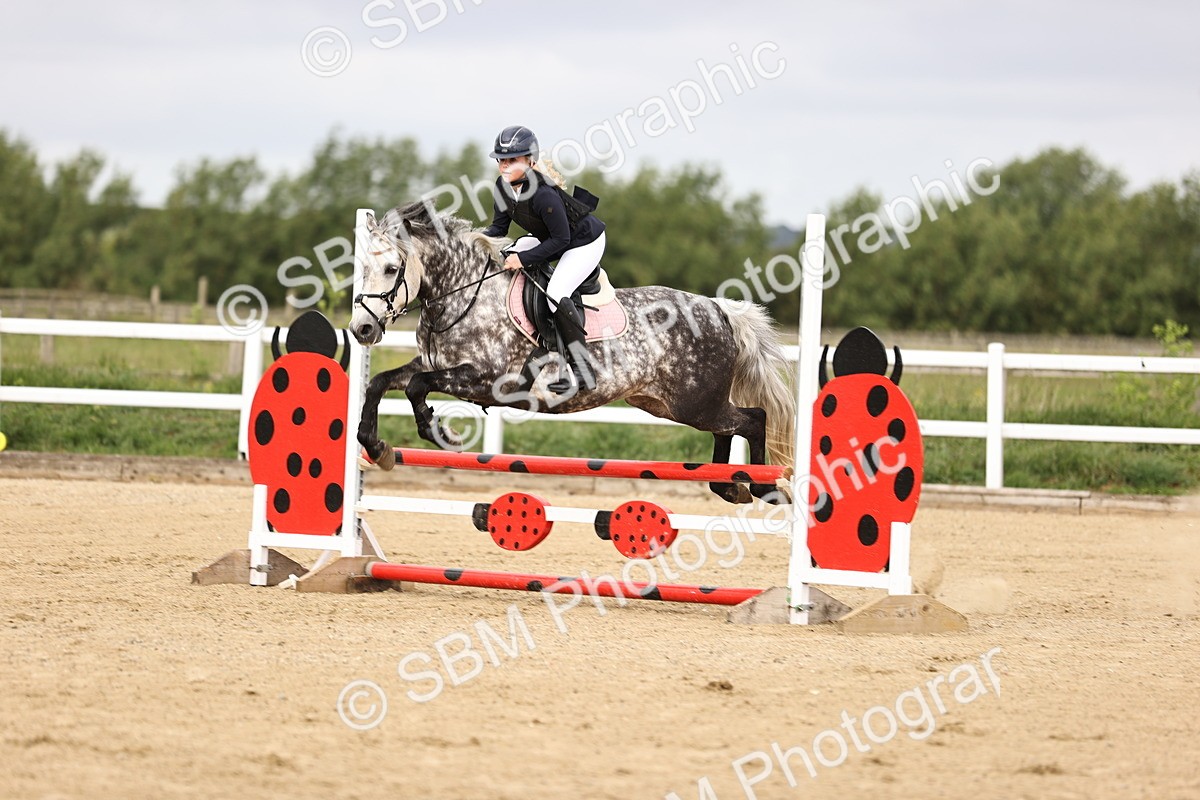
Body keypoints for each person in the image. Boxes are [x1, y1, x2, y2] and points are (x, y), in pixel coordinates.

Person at [481, 125, 605, 393]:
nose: (504, 166)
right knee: (513, 250)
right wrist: (472, 239)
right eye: (501, 160)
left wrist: (523, 260)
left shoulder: (543, 193)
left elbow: (561, 240)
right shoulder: (502, 188)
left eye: (512, 160)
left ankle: (584, 372)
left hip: (583, 242)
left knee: (556, 292)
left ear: (530, 161)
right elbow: (498, 230)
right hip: (553, 237)